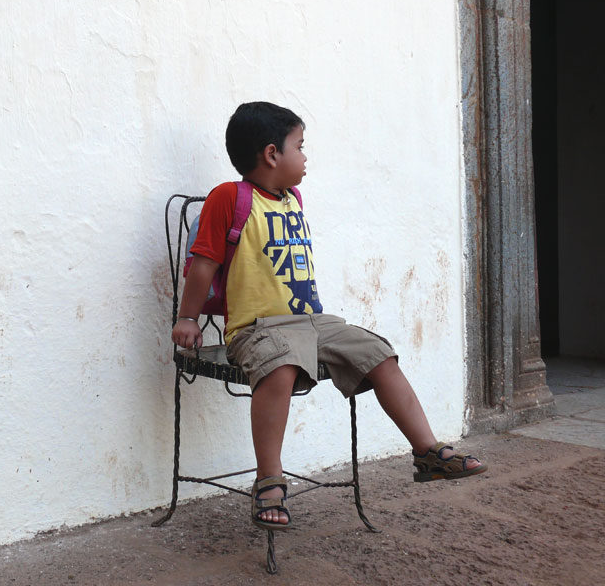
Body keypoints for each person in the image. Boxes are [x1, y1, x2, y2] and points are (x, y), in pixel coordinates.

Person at [171, 101, 487, 530]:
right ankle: (269, 479)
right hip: (257, 328)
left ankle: (427, 452)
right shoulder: (230, 198)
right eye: (299, 146)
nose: (305, 157)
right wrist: (188, 318)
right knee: (279, 365)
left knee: (378, 353)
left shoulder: (292, 198)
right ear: (271, 155)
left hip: (312, 322)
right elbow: (205, 262)